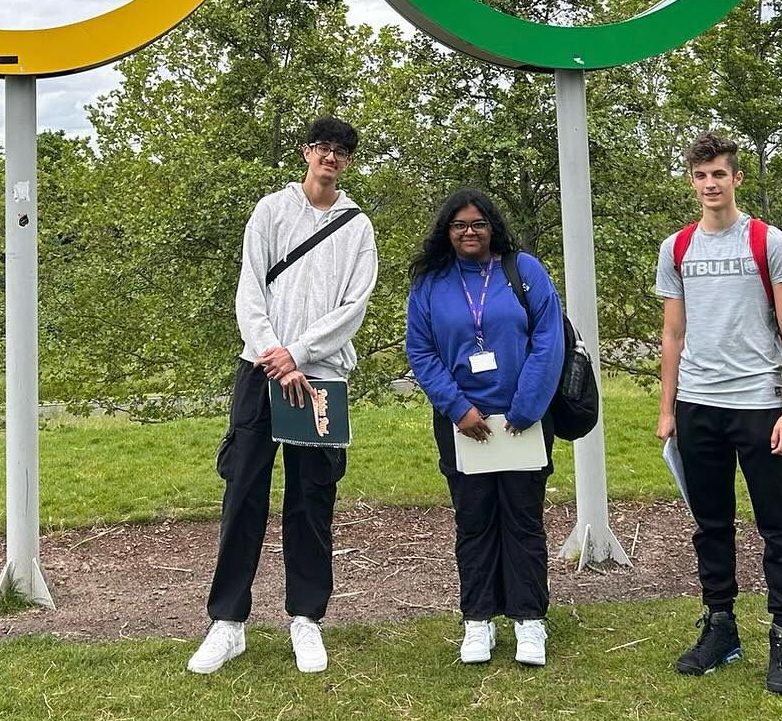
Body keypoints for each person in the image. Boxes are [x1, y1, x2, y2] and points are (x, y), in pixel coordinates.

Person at [187, 115, 378, 675]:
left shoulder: (357, 227)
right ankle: (227, 623)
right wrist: (274, 353)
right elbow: (250, 290)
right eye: (323, 147)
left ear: (348, 161)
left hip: (321, 377)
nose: (331, 157)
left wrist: (299, 353)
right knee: (243, 492)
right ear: (306, 152)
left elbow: (354, 307)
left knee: (312, 499)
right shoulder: (271, 211)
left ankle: (306, 619)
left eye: (341, 151)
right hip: (261, 370)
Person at [656, 130, 782, 695]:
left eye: (719, 174)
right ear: (691, 181)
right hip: (698, 406)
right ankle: (720, 626)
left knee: (776, 524)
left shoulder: (769, 243)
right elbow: (673, 335)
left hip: (760, 406)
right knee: (711, 524)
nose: (710, 184)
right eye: (701, 175)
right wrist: (667, 409)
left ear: (736, 178)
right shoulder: (677, 248)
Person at [404, 187, 564, 667]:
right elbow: (421, 350)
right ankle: (478, 620)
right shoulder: (431, 282)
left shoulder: (524, 270)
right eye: (459, 225)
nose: (469, 232)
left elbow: (549, 337)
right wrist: (457, 408)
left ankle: (529, 620)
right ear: (447, 231)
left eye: (478, 224)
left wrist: (526, 407)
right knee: (473, 522)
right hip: (463, 425)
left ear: (492, 227)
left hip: (523, 421)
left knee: (523, 521)